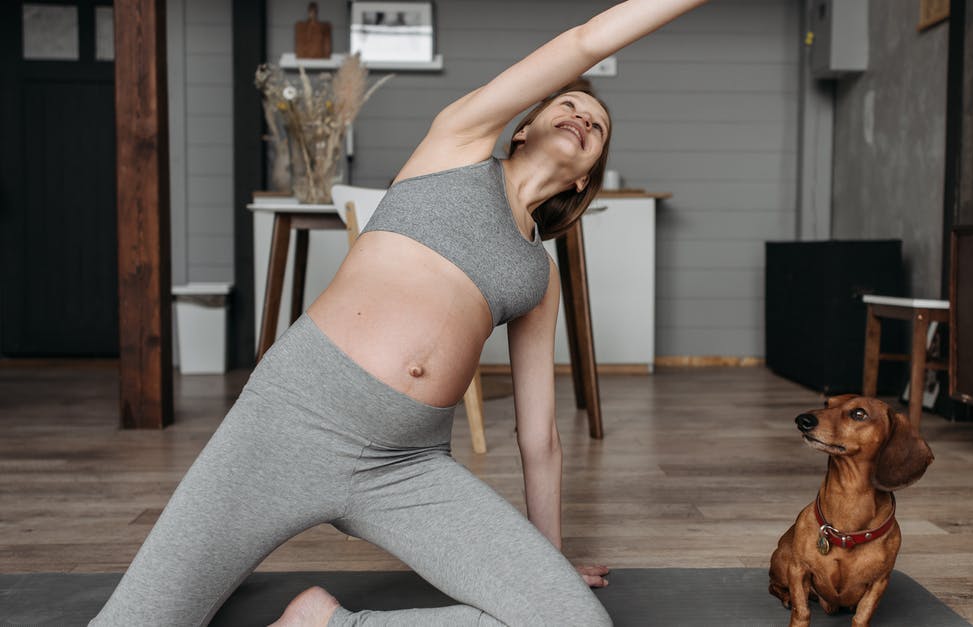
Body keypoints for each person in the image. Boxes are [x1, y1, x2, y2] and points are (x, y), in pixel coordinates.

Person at [91, 1, 706, 625]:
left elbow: (539, 435)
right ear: (522, 127)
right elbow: (583, 40)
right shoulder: (457, 144)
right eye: (567, 106)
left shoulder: (537, 275)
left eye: (596, 126)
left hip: (407, 466)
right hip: (291, 423)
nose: (580, 117)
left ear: (583, 179)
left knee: (577, 623)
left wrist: (545, 557)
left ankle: (325, 625)